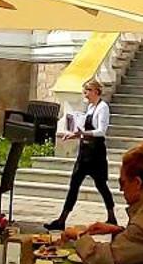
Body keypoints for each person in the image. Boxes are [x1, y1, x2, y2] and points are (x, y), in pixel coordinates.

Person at [45, 80, 115, 229]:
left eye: (88, 91)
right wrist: (74, 135)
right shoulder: (90, 107)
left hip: (96, 152)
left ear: (96, 91)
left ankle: (111, 216)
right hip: (84, 152)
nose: (85, 94)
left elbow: (101, 131)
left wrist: (84, 133)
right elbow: (84, 130)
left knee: (101, 184)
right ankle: (62, 220)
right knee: (74, 184)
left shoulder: (103, 108)